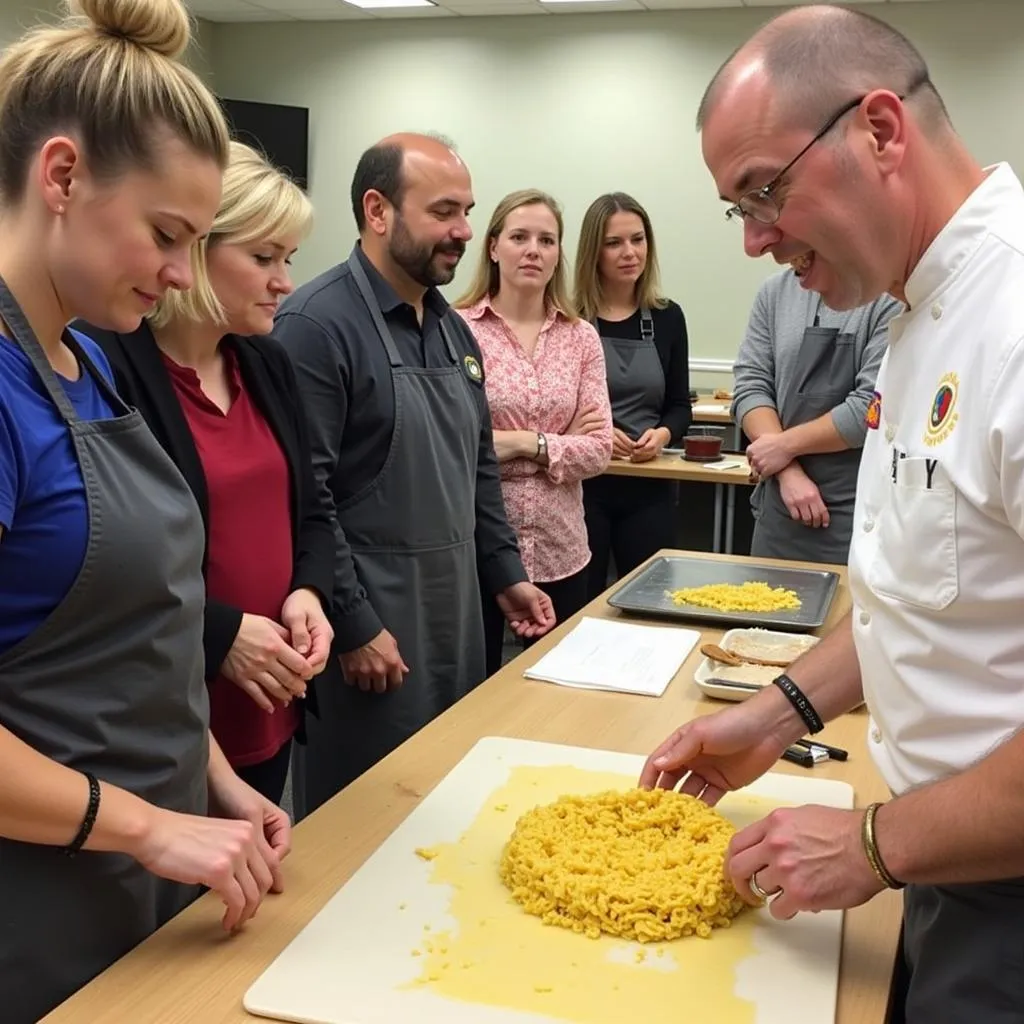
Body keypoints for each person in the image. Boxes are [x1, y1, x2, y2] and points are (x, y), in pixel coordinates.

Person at [642, 5, 1024, 1020]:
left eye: (764, 192)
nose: (756, 238)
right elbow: (930, 598)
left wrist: (870, 843)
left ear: (881, 130)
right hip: (945, 859)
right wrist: (777, 713)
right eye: (739, 208)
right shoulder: (914, 314)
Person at [0, 2, 291, 1020]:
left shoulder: (89, 364)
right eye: (167, 235)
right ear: (63, 178)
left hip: (151, 884)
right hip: (40, 914)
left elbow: (144, 631)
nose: (180, 273)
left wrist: (211, 780)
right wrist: (143, 824)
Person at [274, 133, 555, 818]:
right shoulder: (315, 326)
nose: (463, 231)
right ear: (377, 210)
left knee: (446, 796)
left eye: (467, 211)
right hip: (374, 627)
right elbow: (304, 497)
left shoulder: (453, 332)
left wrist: (505, 573)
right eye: (444, 212)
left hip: (455, 614)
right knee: (364, 814)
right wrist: (354, 621)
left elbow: (479, 470)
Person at [83, 142, 336, 805]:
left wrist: (307, 591)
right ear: (194, 248)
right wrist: (222, 633)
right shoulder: (107, 368)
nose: (284, 280)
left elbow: (311, 510)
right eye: (262, 258)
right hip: (164, 715)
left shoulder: (268, 364)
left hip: (268, 702)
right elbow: (105, 565)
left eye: (289, 259)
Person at [455, 189, 612, 675]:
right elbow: (453, 444)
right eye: (519, 237)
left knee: (556, 693)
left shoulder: (580, 336)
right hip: (476, 549)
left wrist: (523, 442)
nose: (533, 250)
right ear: (493, 246)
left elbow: (601, 449)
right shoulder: (456, 330)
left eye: (547, 240)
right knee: (472, 693)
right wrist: (559, 441)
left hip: (563, 549)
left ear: (559, 253)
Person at [732, 266, 900, 563]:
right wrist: (788, 471)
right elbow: (750, 387)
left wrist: (783, 448)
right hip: (779, 511)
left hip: (857, 513)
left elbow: (868, 409)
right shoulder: (774, 293)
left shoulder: (887, 298)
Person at [574, 193, 692, 599]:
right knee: (579, 605)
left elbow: (679, 406)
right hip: (583, 488)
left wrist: (661, 435)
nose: (630, 253)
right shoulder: (569, 319)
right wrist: (597, 436)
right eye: (614, 243)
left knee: (650, 600)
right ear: (594, 251)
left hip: (649, 485)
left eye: (638, 240)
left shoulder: (667, 317)